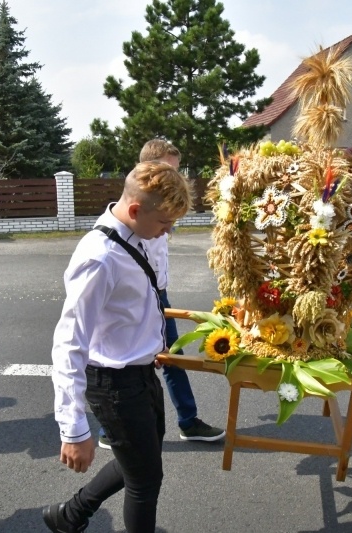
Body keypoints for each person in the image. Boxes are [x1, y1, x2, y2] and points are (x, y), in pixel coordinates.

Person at [44, 161, 192, 533]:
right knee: (145, 480)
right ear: (136, 210)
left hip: (140, 374)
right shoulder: (100, 257)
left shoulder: (136, 235)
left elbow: (135, 304)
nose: (168, 231)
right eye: (164, 223)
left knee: (139, 462)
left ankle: (70, 515)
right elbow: (69, 343)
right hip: (114, 384)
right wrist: (73, 429)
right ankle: (71, 514)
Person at [96, 139, 223, 450]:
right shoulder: (128, 224)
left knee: (167, 357)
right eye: (169, 170)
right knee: (133, 360)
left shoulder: (158, 210)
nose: (175, 178)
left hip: (156, 292)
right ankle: (115, 428)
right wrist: (72, 428)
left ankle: (183, 421)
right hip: (143, 294)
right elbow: (74, 340)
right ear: (148, 169)